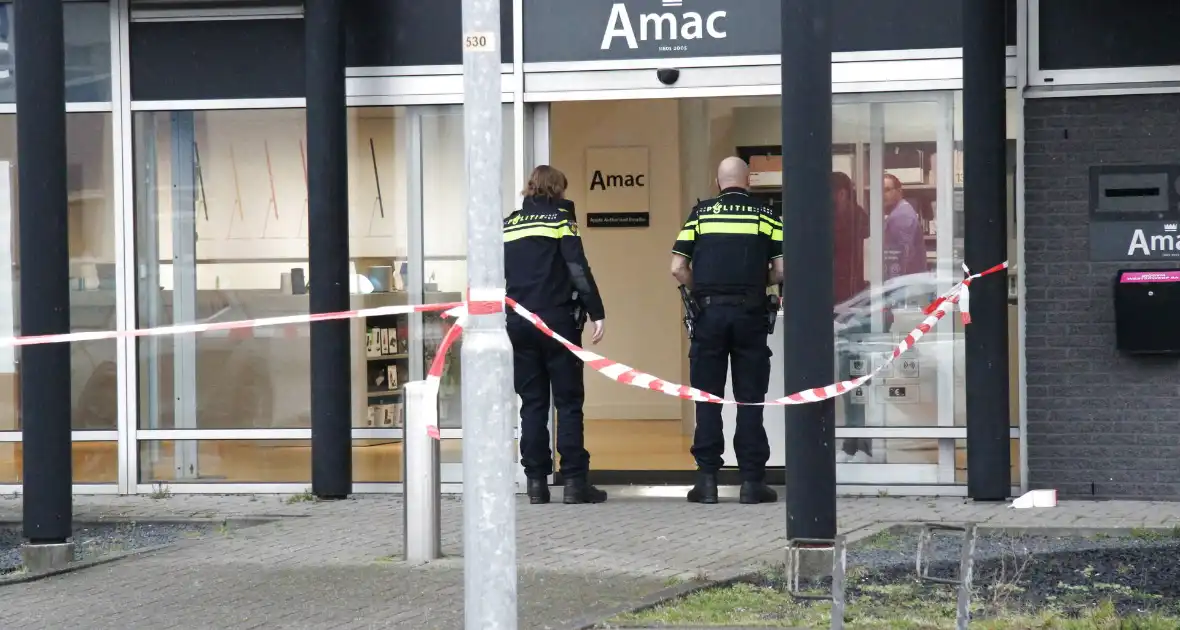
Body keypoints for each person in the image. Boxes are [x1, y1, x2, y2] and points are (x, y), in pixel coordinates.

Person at [670, 156, 782, 505]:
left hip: (708, 315)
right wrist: (756, 283)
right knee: (750, 399)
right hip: (750, 315)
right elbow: (780, 271)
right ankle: (751, 482)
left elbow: (677, 267)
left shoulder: (700, 215)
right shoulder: (766, 215)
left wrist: (699, 289)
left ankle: (707, 482)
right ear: (748, 181)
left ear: (718, 183)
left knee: (708, 398)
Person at [504, 165, 608, 505]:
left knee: (532, 403)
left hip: (519, 322)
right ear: (558, 190)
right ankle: (575, 482)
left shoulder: (509, 224)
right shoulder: (561, 221)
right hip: (557, 322)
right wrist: (597, 312)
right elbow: (577, 268)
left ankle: (536, 484)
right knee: (568, 402)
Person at [832, 171, 874, 463]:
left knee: (850, 376)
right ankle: (857, 438)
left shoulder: (846, 222)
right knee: (853, 376)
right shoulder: (861, 219)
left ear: (842, 193)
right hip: (856, 304)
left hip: (848, 306)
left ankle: (856, 440)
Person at [882, 174, 927, 281]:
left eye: (887, 190)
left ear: (899, 192)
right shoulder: (900, 211)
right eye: (880, 191)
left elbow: (901, 258)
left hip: (905, 285)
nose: (883, 195)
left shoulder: (901, 216)